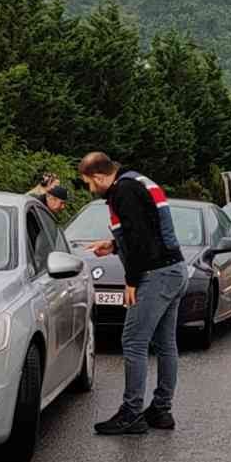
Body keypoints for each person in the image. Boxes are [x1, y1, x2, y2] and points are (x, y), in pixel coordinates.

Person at [77, 152, 187, 435]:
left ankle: (131, 413)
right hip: (173, 269)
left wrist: (131, 281)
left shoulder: (123, 191)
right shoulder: (135, 181)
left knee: (133, 341)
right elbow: (145, 231)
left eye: (89, 183)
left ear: (99, 176)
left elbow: (141, 239)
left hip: (156, 273)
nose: (90, 189)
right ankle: (161, 410)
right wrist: (113, 246)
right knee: (165, 343)